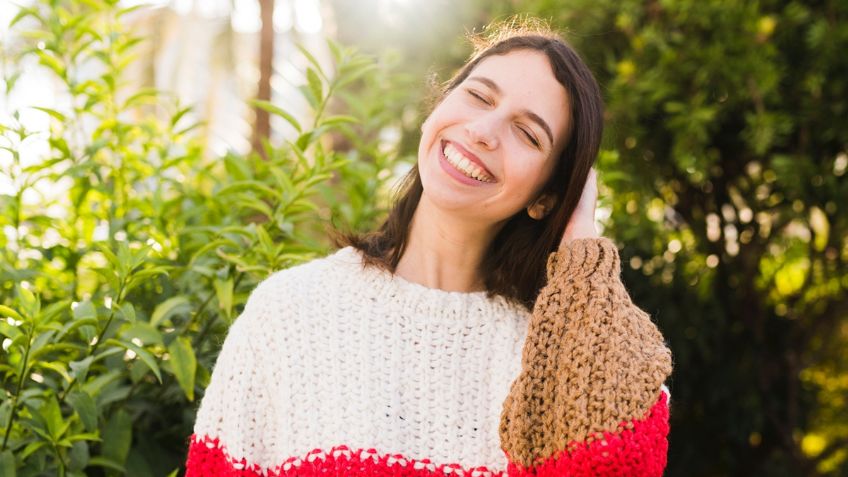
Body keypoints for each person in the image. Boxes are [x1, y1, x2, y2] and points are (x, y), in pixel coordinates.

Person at [185, 19, 673, 477]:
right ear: (436, 110)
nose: (483, 132)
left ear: (547, 197)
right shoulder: (290, 312)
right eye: (479, 97)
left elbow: (623, 463)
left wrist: (584, 258)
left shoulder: (569, 355)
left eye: (527, 133)